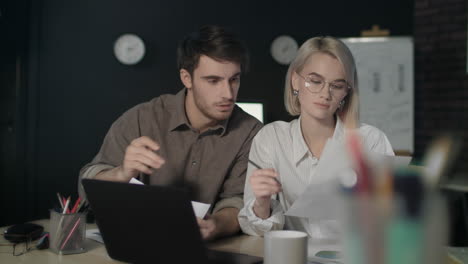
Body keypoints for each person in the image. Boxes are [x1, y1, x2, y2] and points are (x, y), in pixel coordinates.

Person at [78, 25, 263, 240]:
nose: (228, 93)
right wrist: (121, 173)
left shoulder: (251, 132)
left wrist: (215, 226)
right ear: (186, 78)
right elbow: (87, 187)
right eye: (213, 81)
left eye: (234, 79)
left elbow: (238, 201)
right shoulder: (142, 118)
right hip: (136, 242)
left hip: (211, 249)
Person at [238, 36, 394, 240]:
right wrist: (261, 202)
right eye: (315, 81)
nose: (325, 94)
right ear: (295, 80)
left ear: (346, 92)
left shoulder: (371, 141)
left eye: (337, 85)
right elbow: (258, 230)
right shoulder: (271, 138)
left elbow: (392, 223)